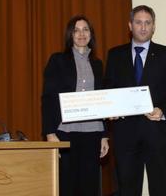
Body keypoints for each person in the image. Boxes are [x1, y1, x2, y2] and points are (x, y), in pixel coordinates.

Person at [104, 5, 166, 196]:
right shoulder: (115, 55)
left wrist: (163, 110)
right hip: (125, 136)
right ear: (130, 25)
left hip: (156, 135)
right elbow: (107, 88)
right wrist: (111, 109)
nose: (143, 27)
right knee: (127, 191)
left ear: (153, 26)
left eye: (147, 23)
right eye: (138, 22)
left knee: (160, 189)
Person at [41, 15, 109, 196]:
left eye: (85, 29)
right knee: (66, 186)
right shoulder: (57, 60)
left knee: (90, 186)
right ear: (70, 34)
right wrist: (49, 132)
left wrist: (104, 136)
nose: (81, 34)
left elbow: (100, 99)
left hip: (92, 133)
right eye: (76, 30)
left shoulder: (97, 64)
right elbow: (48, 98)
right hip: (65, 133)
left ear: (91, 35)